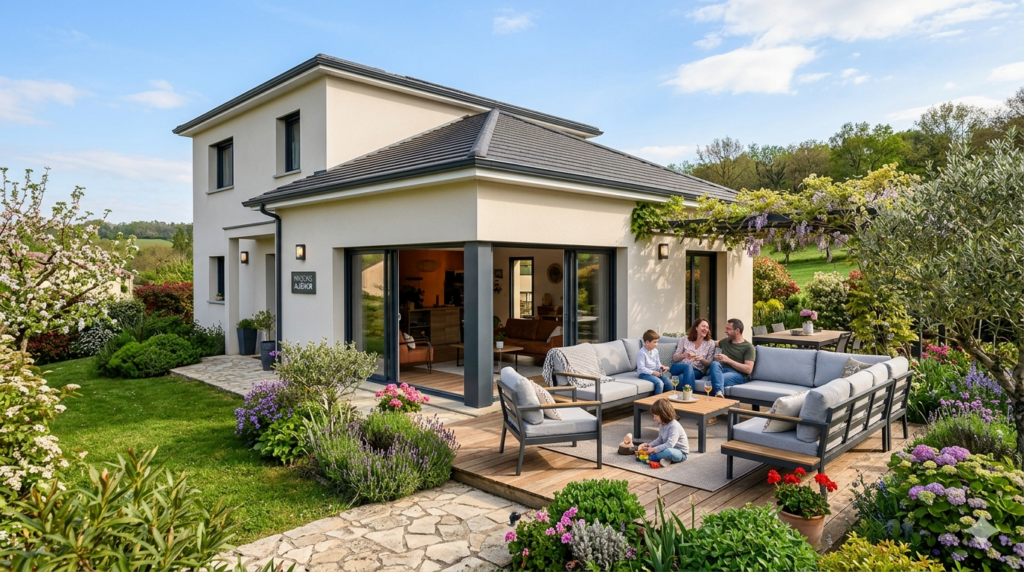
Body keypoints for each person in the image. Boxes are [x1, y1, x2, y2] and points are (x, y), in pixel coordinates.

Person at [707, 318, 756, 397]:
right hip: (721, 370)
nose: (725, 331)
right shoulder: (725, 342)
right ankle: (719, 393)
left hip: (738, 374)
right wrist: (695, 338)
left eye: (728, 329)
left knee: (714, 380)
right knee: (714, 364)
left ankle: (718, 394)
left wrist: (727, 360)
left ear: (737, 331)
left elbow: (748, 369)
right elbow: (711, 343)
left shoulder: (748, 347)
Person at [638, 398, 689, 466]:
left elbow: (670, 444)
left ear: (663, 415)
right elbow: (660, 439)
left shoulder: (674, 426)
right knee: (662, 450)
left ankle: (651, 458)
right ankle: (665, 460)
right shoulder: (662, 424)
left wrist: (654, 449)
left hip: (680, 452)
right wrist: (649, 445)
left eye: (655, 416)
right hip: (668, 448)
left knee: (668, 452)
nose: (654, 418)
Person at [669, 318, 716, 392]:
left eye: (707, 327)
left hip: (697, 371)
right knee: (687, 366)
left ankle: (677, 398)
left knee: (681, 378)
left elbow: (709, 363)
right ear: (696, 327)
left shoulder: (710, 343)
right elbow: (675, 358)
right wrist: (683, 355)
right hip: (679, 367)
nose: (705, 329)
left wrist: (702, 359)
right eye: (703, 326)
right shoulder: (684, 339)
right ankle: (690, 396)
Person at [637, 329, 669, 395]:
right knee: (659, 383)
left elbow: (658, 364)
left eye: (657, 342)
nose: (656, 344)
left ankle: (667, 403)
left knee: (668, 383)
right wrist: (653, 372)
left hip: (655, 372)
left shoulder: (655, 351)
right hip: (644, 374)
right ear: (647, 342)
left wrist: (661, 367)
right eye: (654, 342)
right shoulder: (641, 353)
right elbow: (641, 368)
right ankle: (657, 403)